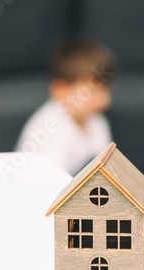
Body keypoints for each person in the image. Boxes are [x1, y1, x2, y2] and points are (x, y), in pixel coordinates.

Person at [16, 36, 116, 175]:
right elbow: (51, 187)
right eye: (92, 93)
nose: (104, 101)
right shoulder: (48, 129)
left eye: (105, 91)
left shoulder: (97, 121)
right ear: (60, 90)